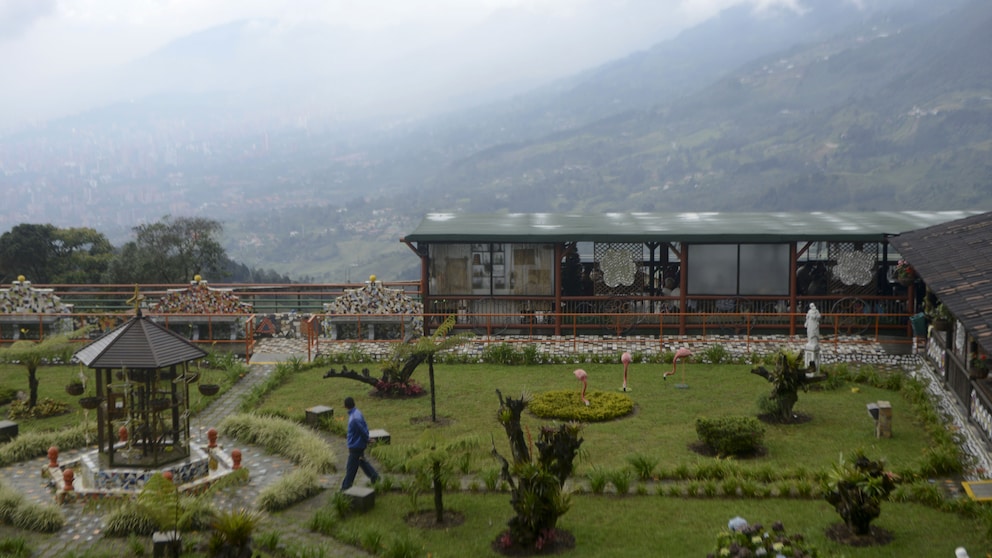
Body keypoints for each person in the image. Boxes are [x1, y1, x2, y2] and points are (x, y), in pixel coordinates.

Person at [340, 396, 380, 490]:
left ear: (346, 406)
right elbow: (364, 426)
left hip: (355, 446)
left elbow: (362, 430)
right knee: (362, 461)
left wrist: (367, 439)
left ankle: (345, 488)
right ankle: (375, 477)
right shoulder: (357, 413)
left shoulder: (354, 418)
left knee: (351, 468)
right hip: (358, 444)